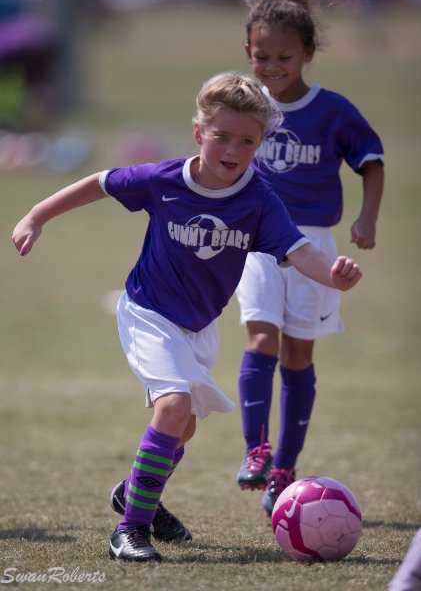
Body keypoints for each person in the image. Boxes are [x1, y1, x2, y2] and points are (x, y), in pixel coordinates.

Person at [12, 71, 362, 563]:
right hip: (149, 313)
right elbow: (100, 183)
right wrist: (36, 215)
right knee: (173, 408)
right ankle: (130, 530)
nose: (233, 149)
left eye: (247, 140)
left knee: (183, 427)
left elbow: (299, 251)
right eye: (221, 135)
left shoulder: (259, 201)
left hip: (198, 327)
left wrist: (333, 274)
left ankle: (135, 492)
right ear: (199, 133)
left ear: (261, 143)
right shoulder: (164, 180)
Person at [235, 0, 384, 517]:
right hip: (256, 241)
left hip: (315, 244)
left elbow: (371, 159)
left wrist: (367, 218)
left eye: (285, 57)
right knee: (260, 338)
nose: (273, 67)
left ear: (308, 54)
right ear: (248, 51)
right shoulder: (244, 106)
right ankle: (256, 450)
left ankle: (285, 469)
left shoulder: (333, 110)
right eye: (262, 56)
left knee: (298, 355)